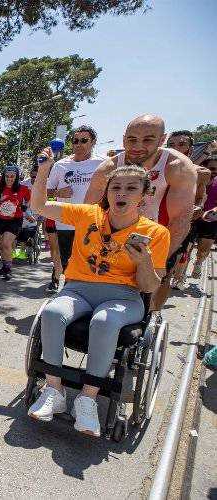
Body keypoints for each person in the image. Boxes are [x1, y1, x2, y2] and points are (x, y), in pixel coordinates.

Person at [29, 147, 169, 437]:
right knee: (53, 312)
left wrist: (143, 259)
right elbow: (40, 206)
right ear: (108, 192)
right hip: (79, 288)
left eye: (131, 188)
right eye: (116, 187)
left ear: (144, 195)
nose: (122, 193)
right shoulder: (87, 215)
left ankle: (88, 398)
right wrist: (44, 171)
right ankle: (54, 390)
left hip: (124, 295)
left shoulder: (156, 233)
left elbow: (148, 287)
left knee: (104, 321)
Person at [85, 115, 197, 311]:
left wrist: (152, 262)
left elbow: (179, 221)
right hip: (115, 237)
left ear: (162, 140)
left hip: (160, 235)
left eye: (147, 140)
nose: (138, 146)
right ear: (123, 139)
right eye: (132, 140)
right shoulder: (109, 168)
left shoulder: (177, 167)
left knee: (153, 286)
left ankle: (153, 314)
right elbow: (89, 214)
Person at [47, 125, 106, 279]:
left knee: (93, 262)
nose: (78, 144)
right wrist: (59, 193)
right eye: (75, 141)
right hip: (66, 222)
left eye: (84, 140)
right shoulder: (60, 165)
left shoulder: (104, 164)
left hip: (94, 223)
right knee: (68, 263)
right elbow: (47, 193)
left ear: (93, 142)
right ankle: (70, 291)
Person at [167, 131, 210, 289]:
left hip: (181, 223)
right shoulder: (158, 168)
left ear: (190, 150)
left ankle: (156, 309)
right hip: (157, 221)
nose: (176, 148)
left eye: (181, 144)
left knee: (171, 262)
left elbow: (201, 196)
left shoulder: (200, 173)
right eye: (171, 145)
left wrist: (198, 206)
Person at [0, 165, 31, 280]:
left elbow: (29, 200)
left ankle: (8, 269)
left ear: (16, 177)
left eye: (12, 176)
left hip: (15, 220)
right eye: (7, 176)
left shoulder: (23, 189)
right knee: (1, 245)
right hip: (0, 219)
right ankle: (5, 265)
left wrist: (25, 206)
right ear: (3, 177)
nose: (9, 179)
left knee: (6, 243)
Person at [191, 156, 217, 279]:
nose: (214, 171)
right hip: (192, 218)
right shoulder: (194, 180)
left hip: (211, 220)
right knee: (188, 247)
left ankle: (198, 263)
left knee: (203, 249)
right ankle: (180, 273)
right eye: (212, 168)